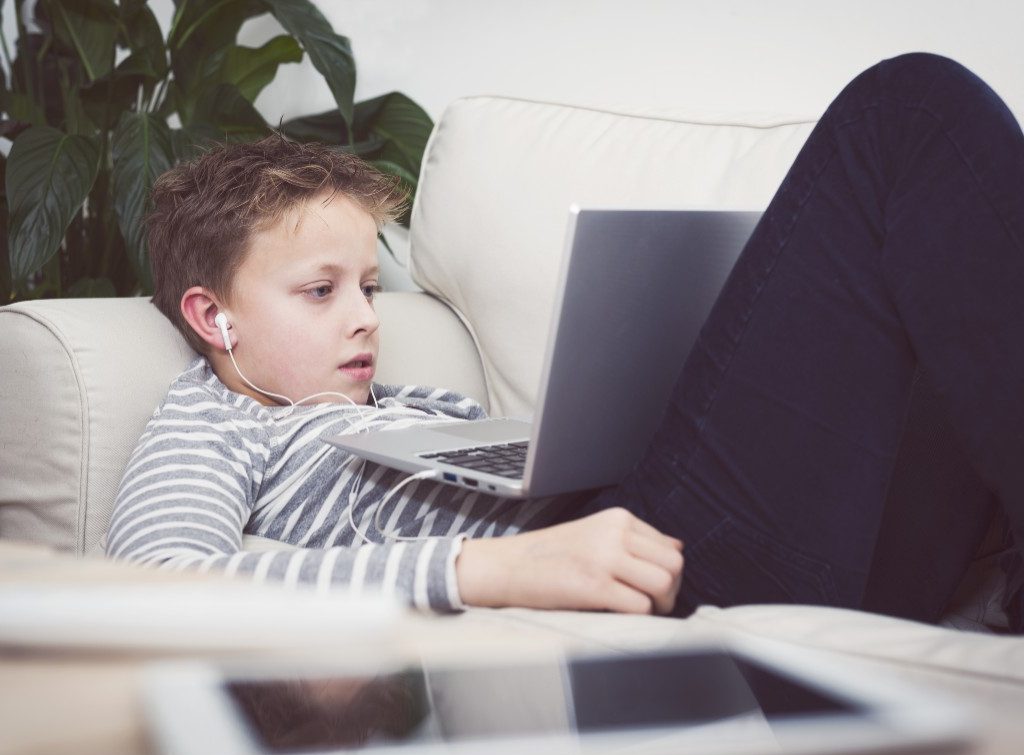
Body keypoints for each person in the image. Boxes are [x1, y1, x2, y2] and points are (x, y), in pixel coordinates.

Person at [105, 52, 1023, 631]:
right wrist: (493, 568)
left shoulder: (401, 410)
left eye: (370, 287)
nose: (365, 317)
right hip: (666, 566)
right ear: (211, 317)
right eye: (320, 291)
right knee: (905, 113)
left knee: (933, 269)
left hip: (827, 549)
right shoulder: (216, 424)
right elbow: (159, 587)